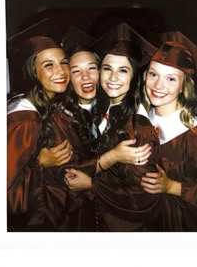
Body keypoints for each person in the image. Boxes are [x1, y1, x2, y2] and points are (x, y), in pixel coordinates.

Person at [38, 27, 153, 231]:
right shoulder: (61, 118)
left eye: (92, 68)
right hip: (76, 221)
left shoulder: (129, 121)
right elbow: (68, 178)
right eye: (76, 71)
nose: (85, 77)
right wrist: (112, 157)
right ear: (68, 77)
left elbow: (142, 194)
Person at [65, 22, 165, 232]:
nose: (112, 78)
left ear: (134, 76)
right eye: (107, 68)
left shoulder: (138, 128)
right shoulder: (100, 110)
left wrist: (92, 186)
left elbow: (144, 199)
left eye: (123, 70)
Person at [140, 41, 197, 232]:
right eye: (153, 74)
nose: (158, 85)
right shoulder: (139, 122)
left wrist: (171, 186)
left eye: (171, 79)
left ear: (183, 86)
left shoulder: (196, 138)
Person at [7, 34, 72, 231]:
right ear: (33, 72)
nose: (61, 71)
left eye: (64, 62)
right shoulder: (25, 120)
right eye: (48, 65)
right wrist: (39, 163)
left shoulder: (49, 106)